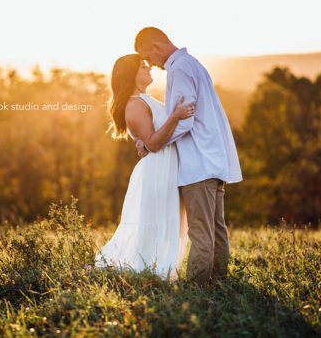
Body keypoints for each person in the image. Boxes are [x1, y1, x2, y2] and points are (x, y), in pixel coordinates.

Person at [134, 27, 243, 285]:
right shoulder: (191, 63)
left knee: (202, 233)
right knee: (216, 231)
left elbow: (184, 120)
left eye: (148, 57)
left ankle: (195, 292)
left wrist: (152, 144)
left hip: (198, 164)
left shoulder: (179, 69)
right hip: (212, 161)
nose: (150, 64)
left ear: (156, 48)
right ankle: (219, 286)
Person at [95, 54, 194, 281]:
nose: (150, 69)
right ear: (131, 74)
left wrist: (148, 141)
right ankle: (151, 274)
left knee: (173, 223)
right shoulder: (134, 104)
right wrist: (176, 116)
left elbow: (150, 140)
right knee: (158, 221)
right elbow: (154, 143)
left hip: (169, 167)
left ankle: (165, 273)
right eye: (143, 66)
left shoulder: (145, 99)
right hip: (158, 170)